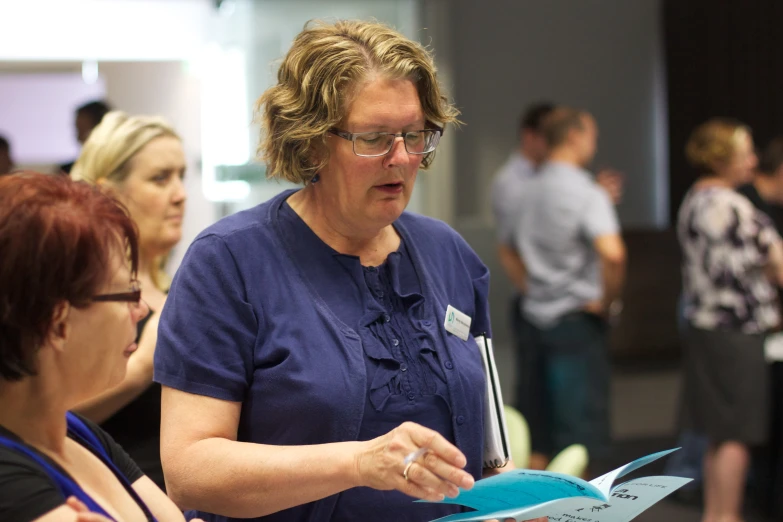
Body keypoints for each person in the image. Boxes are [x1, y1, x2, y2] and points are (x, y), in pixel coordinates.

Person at [154, 19, 514, 522]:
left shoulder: (447, 253)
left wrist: (520, 503)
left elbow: (489, 449)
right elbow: (190, 471)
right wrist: (357, 462)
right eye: (374, 138)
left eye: (415, 135)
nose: (402, 158)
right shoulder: (229, 262)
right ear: (311, 142)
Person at [0, 172, 199, 522]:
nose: (140, 310)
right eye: (128, 294)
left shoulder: (77, 430)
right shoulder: (9, 478)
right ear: (58, 323)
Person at [70, 111, 187, 491]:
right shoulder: (78, 297)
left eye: (182, 176)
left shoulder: (179, 292)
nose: (180, 193)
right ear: (108, 194)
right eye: (160, 178)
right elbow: (34, 414)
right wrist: (139, 368)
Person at [677, 119, 783, 522]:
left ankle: (717, 514)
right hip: (737, 334)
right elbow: (776, 261)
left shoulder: (694, 200)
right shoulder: (733, 206)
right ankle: (729, 515)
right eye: (746, 153)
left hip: (705, 328)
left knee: (718, 432)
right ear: (724, 159)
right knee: (737, 433)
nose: (753, 161)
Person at [511, 107, 626, 471]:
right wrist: (608, 302)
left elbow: (506, 247)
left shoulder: (525, 189)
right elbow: (614, 254)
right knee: (578, 437)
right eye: (592, 135)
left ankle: (535, 510)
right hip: (576, 323)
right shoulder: (586, 191)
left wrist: (533, 285)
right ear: (575, 138)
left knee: (536, 429)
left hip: (534, 316)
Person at [59, 100, 112, 175]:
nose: (78, 138)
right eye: (77, 130)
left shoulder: (123, 172)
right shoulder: (66, 172)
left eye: (83, 131)